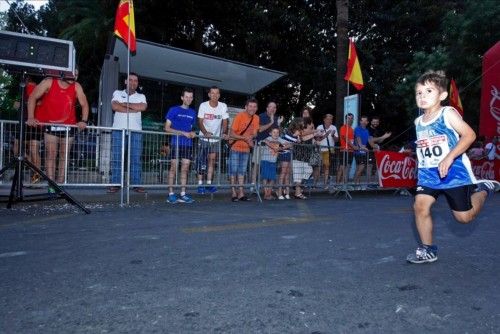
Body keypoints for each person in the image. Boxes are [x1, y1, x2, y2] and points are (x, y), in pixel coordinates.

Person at [407, 70, 500, 264]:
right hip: (428, 174)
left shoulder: (447, 113)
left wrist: (449, 157)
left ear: (442, 95)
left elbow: (469, 135)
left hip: (453, 172)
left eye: (428, 91)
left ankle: (483, 189)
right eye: (419, 92)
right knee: (420, 205)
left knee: (464, 218)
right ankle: (428, 249)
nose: (422, 96)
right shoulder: (418, 122)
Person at [27, 72, 89, 193]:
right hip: (51, 125)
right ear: (64, 71)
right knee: (51, 154)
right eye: (72, 73)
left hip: (68, 126)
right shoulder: (49, 81)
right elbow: (32, 97)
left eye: (77, 74)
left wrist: (84, 120)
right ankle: (51, 184)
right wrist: (30, 117)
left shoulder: (77, 86)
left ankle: (60, 184)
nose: (74, 77)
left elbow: (84, 104)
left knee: (64, 155)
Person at [108, 72, 147, 194]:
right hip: (119, 130)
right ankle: (116, 183)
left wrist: (124, 104)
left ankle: (136, 184)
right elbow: (114, 106)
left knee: (136, 158)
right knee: (117, 158)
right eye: (130, 80)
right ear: (126, 81)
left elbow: (143, 107)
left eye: (135, 80)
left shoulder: (141, 96)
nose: (133, 83)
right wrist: (133, 109)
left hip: (135, 130)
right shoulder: (117, 93)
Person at [164, 88, 196, 204]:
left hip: (187, 145)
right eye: (186, 96)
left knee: (185, 169)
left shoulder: (193, 112)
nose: (189, 99)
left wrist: (193, 134)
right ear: (182, 98)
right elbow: (166, 128)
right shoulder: (173, 110)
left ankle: (183, 193)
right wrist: (183, 133)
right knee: (173, 168)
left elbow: (192, 130)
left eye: (191, 97)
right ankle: (171, 194)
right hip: (175, 143)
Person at [196, 86, 229, 194]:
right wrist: (205, 133)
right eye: (212, 93)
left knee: (212, 161)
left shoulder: (223, 106)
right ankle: (200, 185)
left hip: (215, 139)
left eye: (217, 93)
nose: (215, 95)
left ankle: (209, 184)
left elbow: (225, 121)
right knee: (201, 162)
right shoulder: (203, 105)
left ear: (219, 95)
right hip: (203, 138)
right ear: (209, 94)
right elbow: (200, 121)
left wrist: (224, 133)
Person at [228, 98, 260, 202]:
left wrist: (251, 137)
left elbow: (255, 133)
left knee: (242, 171)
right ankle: (233, 192)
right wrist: (245, 138)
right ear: (246, 107)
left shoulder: (256, 118)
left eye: (254, 107)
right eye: (250, 106)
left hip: (246, 149)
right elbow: (232, 133)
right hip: (235, 147)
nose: (252, 108)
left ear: (257, 108)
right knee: (233, 171)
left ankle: (241, 193)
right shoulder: (239, 116)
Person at [14, 76, 43, 184]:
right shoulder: (22, 90)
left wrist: (25, 104)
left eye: (25, 80)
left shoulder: (35, 87)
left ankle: (36, 176)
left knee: (34, 150)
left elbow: (40, 103)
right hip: (22, 123)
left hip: (34, 124)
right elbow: (15, 105)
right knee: (16, 149)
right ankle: (32, 168)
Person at [253, 101, 284, 185]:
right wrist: (271, 122)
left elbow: (279, 133)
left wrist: (279, 124)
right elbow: (260, 129)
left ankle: (267, 187)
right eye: (271, 107)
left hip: (272, 147)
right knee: (257, 165)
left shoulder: (277, 118)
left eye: (274, 107)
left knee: (270, 166)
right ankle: (253, 184)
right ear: (267, 108)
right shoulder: (261, 116)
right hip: (261, 145)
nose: (273, 109)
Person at [260, 127, 289, 200]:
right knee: (265, 177)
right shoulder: (269, 138)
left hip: (273, 161)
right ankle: (266, 194)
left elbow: (290, 144)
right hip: (265, 160)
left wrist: (281, 148)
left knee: (272, 178)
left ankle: (269, 193)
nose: (276, 134)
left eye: (277, 132)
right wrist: (273, 147)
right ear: (270, 133)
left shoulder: (279, 139)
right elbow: (265, 141)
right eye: (274, 132)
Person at [316, 113, 338, 190]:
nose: (330, 120)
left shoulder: (334, 127)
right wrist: (326, 135)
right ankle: (315, 183)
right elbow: (317, 139)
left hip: (329, 150)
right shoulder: (319, 127)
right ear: (324, 119)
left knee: (327, 167)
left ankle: (325, 184)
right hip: (320, 149)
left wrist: (332, 135)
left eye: (331, 119)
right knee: (317, 167)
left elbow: (337, 140)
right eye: (328, 119)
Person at [366, 116, 391, 181]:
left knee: (376, 167)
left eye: (377, 122)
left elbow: (379, 140)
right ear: (371, 122)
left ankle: (374, 183)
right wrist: (383, 136)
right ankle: (368, 183)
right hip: (369, 151)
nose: (375, 123)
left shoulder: (377, 130)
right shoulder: (368, 129)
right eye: (374, 122)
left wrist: (385, 137)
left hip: (377, 151)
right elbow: (371, 140)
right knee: (369, 166)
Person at [336, 113, 357, 187]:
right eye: (349, 118)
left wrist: (355, 147)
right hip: (344, 150)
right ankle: (337, 184)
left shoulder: (352, 129)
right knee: (342, 168)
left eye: (351, 118)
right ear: (346, 119)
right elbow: (345, 138)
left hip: (351, 151)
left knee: (347, 168)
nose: (350, 120)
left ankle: (343, 184)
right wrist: (353, 146)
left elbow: (352, 140)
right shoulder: (343, 127)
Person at [353, 115, 370, 188]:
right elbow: (358, 139)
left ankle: (357, 184)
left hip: (364, 152)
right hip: (358, 152)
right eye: (362, 120)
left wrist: (375, 146)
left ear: (367, 122)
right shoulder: (357, 129)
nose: (363, 122)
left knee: (358, 169)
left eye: (365, 121)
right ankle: (354, 184)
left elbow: (369, 140)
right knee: (361, 168)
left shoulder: (367, 130)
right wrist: (362, 147)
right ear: (360, 121)